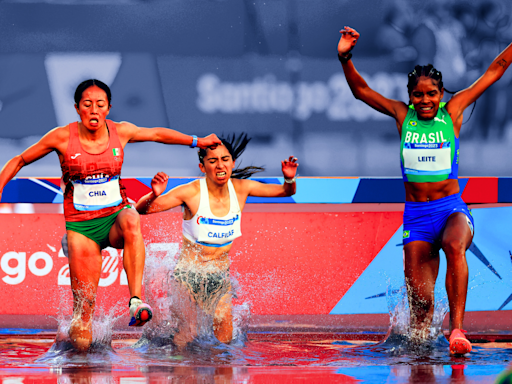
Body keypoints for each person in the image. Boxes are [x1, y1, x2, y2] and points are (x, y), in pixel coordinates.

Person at [0, 79, 222, 352]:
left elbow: (156, 134)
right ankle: (77, 353)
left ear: (108, 108)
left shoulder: (121, 131)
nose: (94, 110)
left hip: (115, 219)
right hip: (81, 228)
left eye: (100, 105)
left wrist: (198, 141)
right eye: (87, 105)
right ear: (77, 108)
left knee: (131, 218)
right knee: (84, 311)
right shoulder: (60, 137)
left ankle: (136, 301)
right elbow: (20, 160)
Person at [337, 26, 512, 355]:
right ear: (410, 97)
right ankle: (421, 357)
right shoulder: (402, 116)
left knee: (454, 244)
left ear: (442, 93)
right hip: (416, 218)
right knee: (421, 311)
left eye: (432, 94)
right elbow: (361, 90)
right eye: (418, 95)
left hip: (451, 209)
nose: (425, 100)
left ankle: (457, 330)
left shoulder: (454, 111)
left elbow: (494, 71)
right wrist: (345, 56)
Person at [135, 134, 298, 346]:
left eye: (225, 159)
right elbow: (142, 209)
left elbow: (285, 192)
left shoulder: (242, 188)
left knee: (225, 339)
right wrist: (154, 194)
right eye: (212, 161)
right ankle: (176, 372)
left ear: (232, 162)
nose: (220, 165)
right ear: (202, 167)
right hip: (187, 276)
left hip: (220, 277)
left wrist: (289, 178)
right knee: (188, 334)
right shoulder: (190, 192)